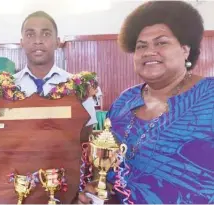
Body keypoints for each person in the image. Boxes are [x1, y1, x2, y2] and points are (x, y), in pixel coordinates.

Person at [79, 1, 214, 204]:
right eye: (141, 46)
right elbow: (110, 170)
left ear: (185, 49)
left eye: (161, 43)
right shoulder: (124, 102)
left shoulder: (209, 96)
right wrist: (101, 191)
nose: (149, 51)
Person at [15, 11, 102, 141]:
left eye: (46, 34)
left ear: (57, 42)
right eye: (30, 34)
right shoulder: (6, 87)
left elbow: (85, 136)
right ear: (22, 43)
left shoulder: (80, 87)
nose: (38, 41)